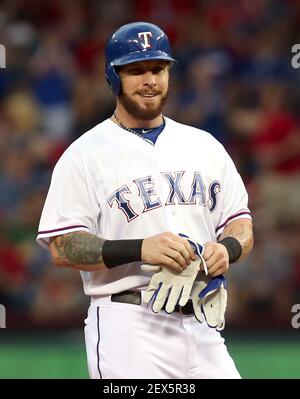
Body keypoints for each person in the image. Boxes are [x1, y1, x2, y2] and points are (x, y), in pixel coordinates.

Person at [36, 22, 253, 379]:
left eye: (158, 68)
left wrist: (226, 249)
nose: (149, 79)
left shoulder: (205, 146)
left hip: (202, 322)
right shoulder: (84, 155)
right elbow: (63, 247)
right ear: (113, 77)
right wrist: (140, 249)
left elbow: (241, 225)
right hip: (129, 324)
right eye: (136, 70)